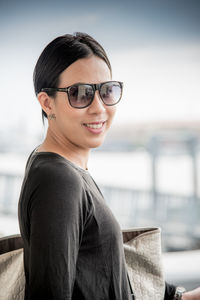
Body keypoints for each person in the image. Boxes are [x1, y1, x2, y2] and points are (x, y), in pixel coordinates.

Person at [18, 32, 200, 300]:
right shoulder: (58, 181)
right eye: (80, 94)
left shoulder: (61, 167)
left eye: (107, 91)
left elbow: (97, 277)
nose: (99, 108)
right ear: (47, 103)